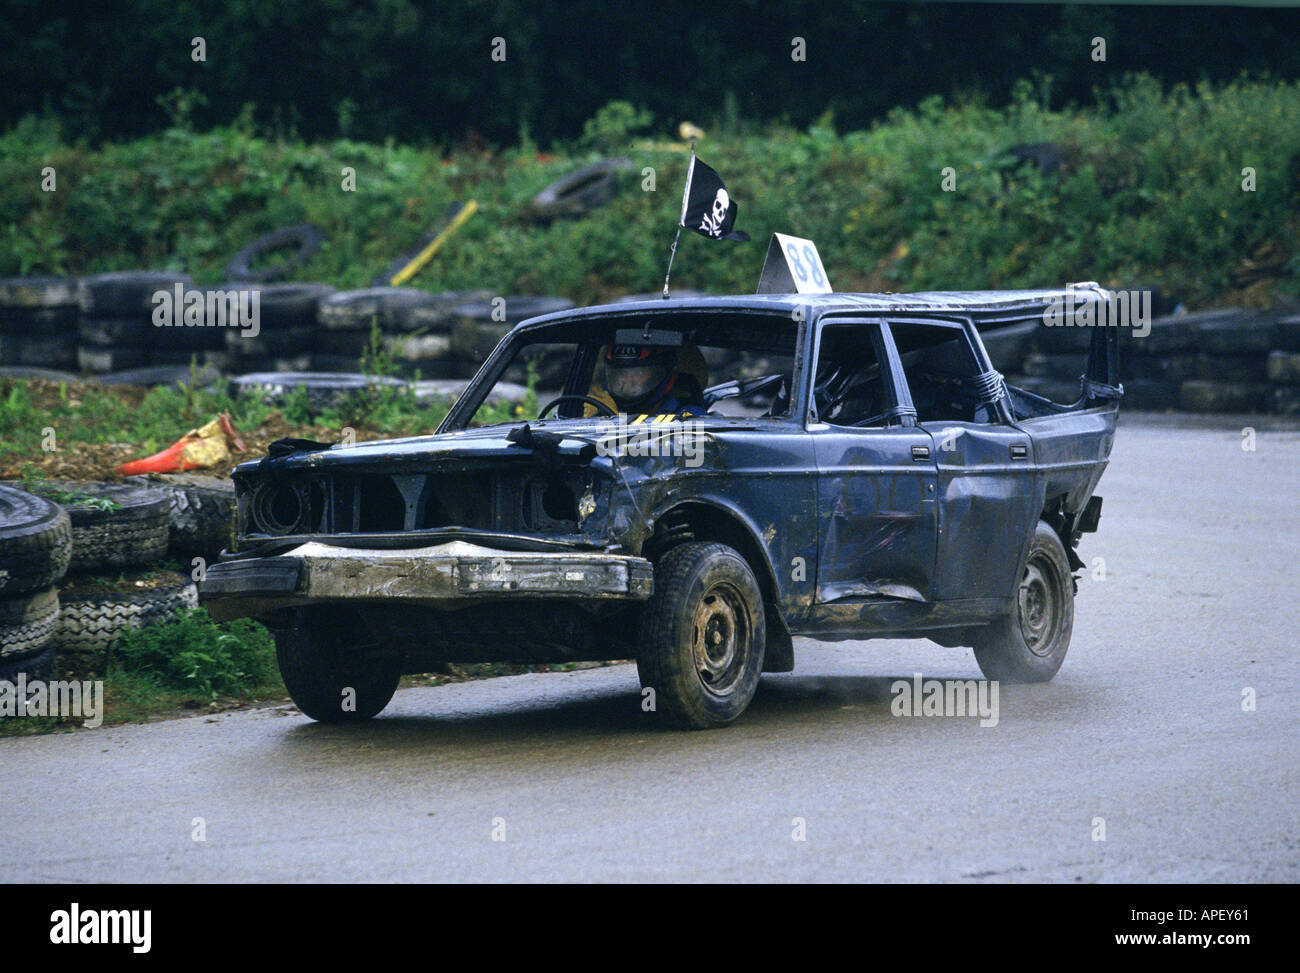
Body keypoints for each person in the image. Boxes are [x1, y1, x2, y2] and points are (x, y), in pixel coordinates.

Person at [586, 342, 708, 416]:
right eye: (621, 373)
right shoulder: (602, 409)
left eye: (639, 372)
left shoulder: (688, 415)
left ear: (664, 374)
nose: (629, 380)